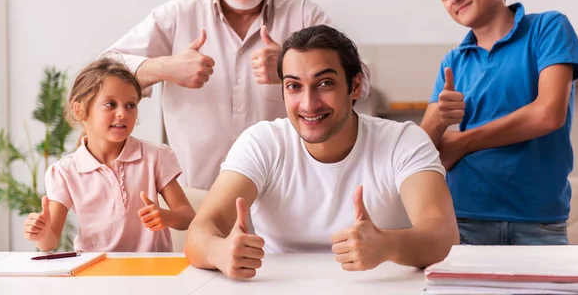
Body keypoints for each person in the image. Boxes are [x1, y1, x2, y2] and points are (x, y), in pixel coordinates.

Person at [100, 0, 369, 189]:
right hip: (195, 194)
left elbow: (363, 80)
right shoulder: (178, 15)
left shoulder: (303, 14)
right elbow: (103, 71)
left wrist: (289, 68)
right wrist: (165, 67)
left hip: (287, 192)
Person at [184, 25, 458, 279]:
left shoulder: (404, 141)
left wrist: (387, 245)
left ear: (355, 85)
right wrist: (217, 252)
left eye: (325, 83)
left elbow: (444, 236)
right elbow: (199, 232)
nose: (308, 103)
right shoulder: (262, 143)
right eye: (294, 86)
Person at [420, 0, 578, 245]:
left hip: (540, 222)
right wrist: (439, 120)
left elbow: (548, 114)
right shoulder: (453, 62)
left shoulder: (548, 28)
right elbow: (422, 149)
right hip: (465, 219)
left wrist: (464, 142)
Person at [23, 59, 195, 252]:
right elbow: (50, 242)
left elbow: (187, 216)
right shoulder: (65, 172)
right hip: (96, 273)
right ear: (80, 111)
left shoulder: (154, 157)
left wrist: (166, 216)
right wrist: (41, 234)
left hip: (152, 272)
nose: (122, 113)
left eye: (130, 105)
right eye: (110, 104)